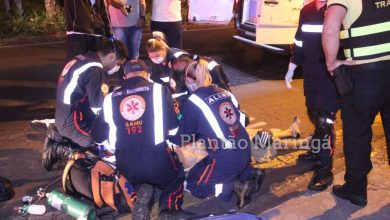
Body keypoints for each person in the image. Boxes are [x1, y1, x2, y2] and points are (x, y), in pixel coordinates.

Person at [92, 60, 190, 219]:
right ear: (148, 74)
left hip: (126, 164)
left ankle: (141, 193)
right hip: (157, 160)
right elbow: (174, 128)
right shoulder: (160, 89)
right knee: (175, 178)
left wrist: (109, 147)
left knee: (141, 179)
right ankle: (168, 208)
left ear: (124, 76)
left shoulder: (109, 98)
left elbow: (97, 136)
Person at [169, 59, 264, 209]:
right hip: (244, 150)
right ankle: (248, 173)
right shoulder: (224, 91)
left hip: (226, 157)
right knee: (196, 171)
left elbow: (182, 136)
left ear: (188, 80)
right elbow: (243, 119)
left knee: (195, 185)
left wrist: (166, 132)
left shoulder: (193, 101)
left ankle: (235, 186)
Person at [322, 0, 390, 206]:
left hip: (364, 76)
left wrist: (331, 63)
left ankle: (355, 189)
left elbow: (331, 28)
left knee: (357, 134)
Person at [42, 39, 127, 171]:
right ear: (111, 56)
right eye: (118, 64)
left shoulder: (83, 58)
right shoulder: (96, 70)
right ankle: (62, 149)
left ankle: (64, 141)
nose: (118, 68)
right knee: (103, 144)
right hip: (75, 121)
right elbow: (99, 108)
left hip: (65, 114)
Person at [284, 0, 340, 191]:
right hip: (310, 72)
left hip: (330, 73)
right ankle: (317, 151)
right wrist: (292, 66)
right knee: (314, 113)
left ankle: (325, 170)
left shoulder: (338, 7)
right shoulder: (307, 10)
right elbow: (300, 39)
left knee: (325, 121)